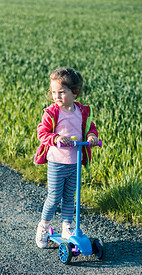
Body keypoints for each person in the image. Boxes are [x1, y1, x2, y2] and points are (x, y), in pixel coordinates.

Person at [34, 67, 99, 248]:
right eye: (54, 92)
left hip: (74, 162)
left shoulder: (81, 111)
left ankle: (66, 226)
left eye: (62, 92)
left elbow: (89, 128)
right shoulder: (52, 112)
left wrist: (91, 137)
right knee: (54, 197)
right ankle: (44, 226)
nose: (57, 96)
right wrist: (56, 138)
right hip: (56, 162)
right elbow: (42, 133)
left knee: (70, 197)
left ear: (74, 92)